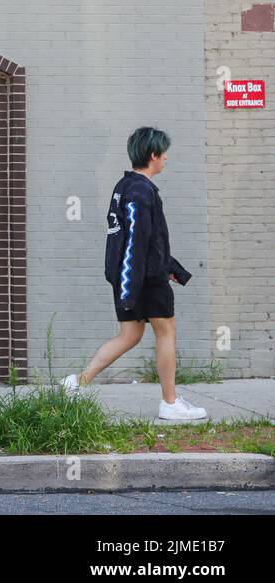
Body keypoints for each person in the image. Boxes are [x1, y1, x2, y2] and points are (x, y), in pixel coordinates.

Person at [62, 126, 207, 420]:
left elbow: (143, 240)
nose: (166, 158)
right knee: (166, 332)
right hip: (144, 280)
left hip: (135, 276)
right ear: (153, 155)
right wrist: (134, 287)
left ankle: (76, 383)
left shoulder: (125, 186)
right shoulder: (141, 192)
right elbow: (136, 243)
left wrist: (169, 267)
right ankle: (169, 403)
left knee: (129, 335)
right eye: (163, 153)